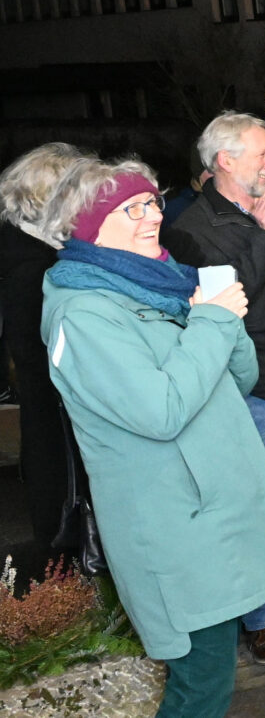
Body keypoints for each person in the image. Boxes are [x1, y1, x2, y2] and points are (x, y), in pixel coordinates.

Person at [39, 157, 265, 718]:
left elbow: (239, 380)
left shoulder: (158, 285)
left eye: (152, 202)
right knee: (201, 687)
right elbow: (161, 411)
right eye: (128, 209)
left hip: (210, 517)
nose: (150, 217)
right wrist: (210, 321)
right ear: (87, 229)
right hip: (174, 528)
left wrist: (221, 317)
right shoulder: (83, 313)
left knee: (208, 680)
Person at [162, 111, 265, 663]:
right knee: (253, 505)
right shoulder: (188, 229)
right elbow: (232, 299)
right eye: (262, 153)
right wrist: (263, 233)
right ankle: (262, 622)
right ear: (225, 161)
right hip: (246, 388)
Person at [0, 143, 84, 568]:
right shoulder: (34, 267)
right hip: (56, 425)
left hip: (55, 418)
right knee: (65, 542)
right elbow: (43, 357)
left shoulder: (36, 256)